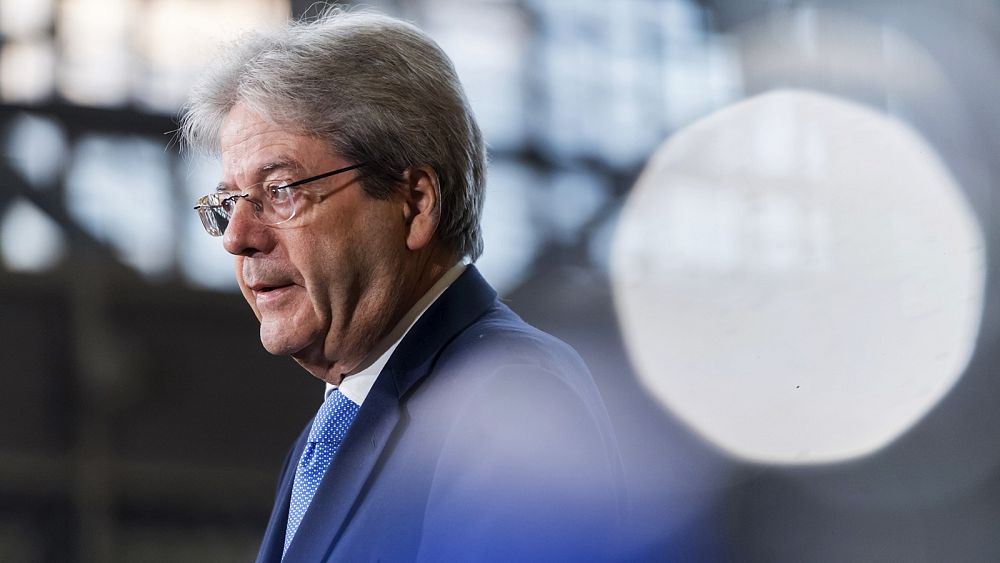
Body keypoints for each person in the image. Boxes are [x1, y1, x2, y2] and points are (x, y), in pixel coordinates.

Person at [181, 8, 623, 562]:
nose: (237, 238)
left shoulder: (513, 400)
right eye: (228, 203)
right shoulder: (331, 433)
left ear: (414, 204)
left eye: (282, 191)